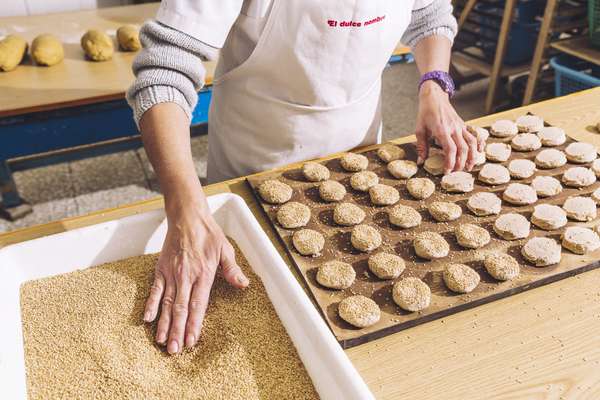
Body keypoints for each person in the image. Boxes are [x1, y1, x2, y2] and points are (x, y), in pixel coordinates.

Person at [127, 0, 483, 355]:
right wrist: (185, 207)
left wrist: (434, 85)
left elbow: (428, 12)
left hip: (360, 164)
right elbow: (164, 70)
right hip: (254, 167)